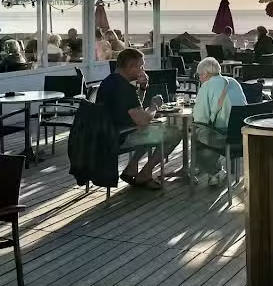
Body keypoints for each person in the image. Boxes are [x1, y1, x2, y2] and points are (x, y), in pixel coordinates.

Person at [96, 48, 181, 189]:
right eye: (141, 66)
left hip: (107, 133)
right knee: (174, 133)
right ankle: (145, 174)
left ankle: (131, 169)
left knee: (151, 129)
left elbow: (135, 108)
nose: (143, 70)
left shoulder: (109, 81)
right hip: (118, 137)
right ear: (131, 67)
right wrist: (154, 106)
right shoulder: (124, 88)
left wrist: (142, 89)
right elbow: (143, 120)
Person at [191, 57, 247, 186]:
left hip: (222, 137)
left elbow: (200, 118)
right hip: (241, 135)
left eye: (199, 75)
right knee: (208, 130)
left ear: (205, 74)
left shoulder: (207, 86)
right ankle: (214, 170)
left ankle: (214, 172)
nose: (199, 79)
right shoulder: (234, 82)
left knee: (197, 133)